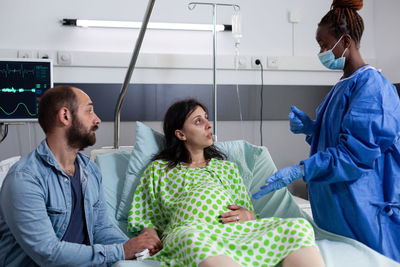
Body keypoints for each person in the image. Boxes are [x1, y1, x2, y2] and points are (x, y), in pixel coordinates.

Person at [253, 0, 400, 262]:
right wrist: (312, 130)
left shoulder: (373, 87)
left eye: (324, 44)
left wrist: (301, 169)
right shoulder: (342, 85)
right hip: (337, 207)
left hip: (364, 207)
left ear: (345, 41)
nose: (321, 51)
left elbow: (355, 155)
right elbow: (336, 141)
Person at [127, 99, 325, 267]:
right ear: (181, 134)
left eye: (206, 117)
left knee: (298, 227)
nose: (208, 124)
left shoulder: (226, 168)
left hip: (234, 233)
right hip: (192, 232)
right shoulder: (160, 169)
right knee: (193, 241)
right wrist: (150, 236)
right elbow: (146, 217)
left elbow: (245, 211)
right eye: (198, 121)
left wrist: (248, 215)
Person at [0, 86, 162, 266]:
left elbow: (100, 229)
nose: (97, 119)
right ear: (65, 116)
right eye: (89, 111)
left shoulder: (89, 170)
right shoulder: (25, 179)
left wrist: (138, 248)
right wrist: (122, 250)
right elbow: (48, 253)